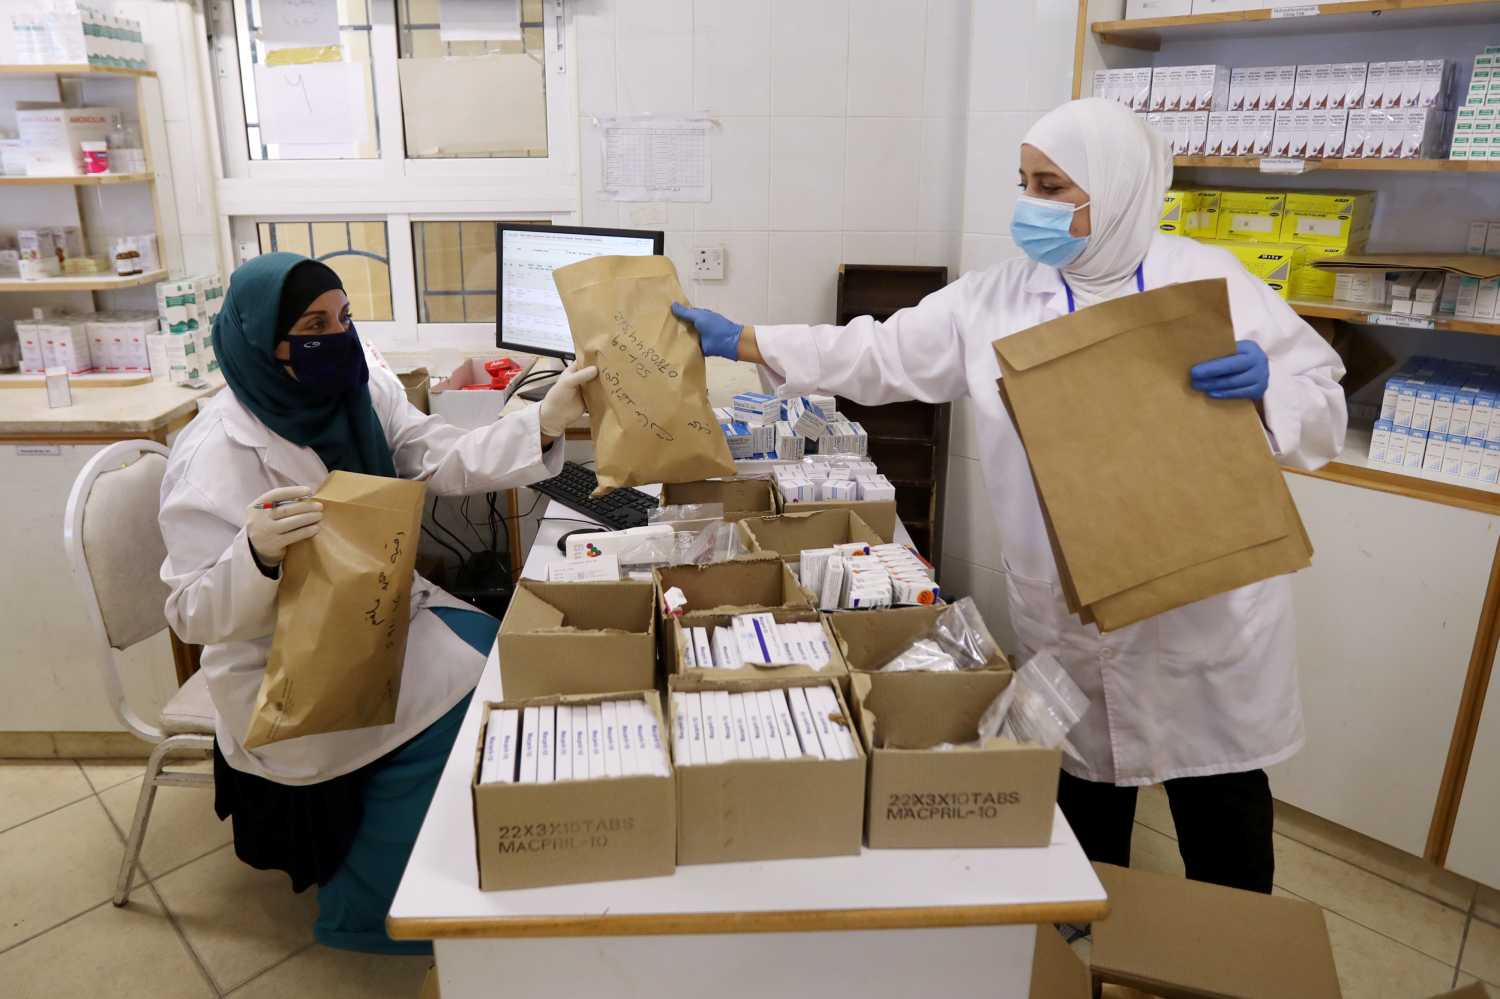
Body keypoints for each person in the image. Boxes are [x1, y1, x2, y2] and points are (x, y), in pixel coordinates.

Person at [671, 98, 1347, 894]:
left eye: (1052, 186)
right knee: (1086, 825)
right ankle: (1092, 959)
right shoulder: (994, 300)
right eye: (1024, 182)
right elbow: (877, 351)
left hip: (1201, 611)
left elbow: (1323, 405)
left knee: (1223, 822)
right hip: (1074, 608)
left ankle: (1228, 963)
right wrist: (746, 338)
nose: (1030, 204)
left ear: (1119, 188)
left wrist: (1273, 392)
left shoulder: (1209, 283)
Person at [158, 252, 595, 953]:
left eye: (344, 317)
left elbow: (431, 454)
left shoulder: (358, 389)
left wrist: (541, 420)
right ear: (261, 340)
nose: (338, 336)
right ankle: (368, 909)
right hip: (282, 666)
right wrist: (256, 556)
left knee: (500, 655)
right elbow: (189, 611)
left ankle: (457, 847)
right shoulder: (215, 449)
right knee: (464, 702)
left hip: (371, 614)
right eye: (313, 324)